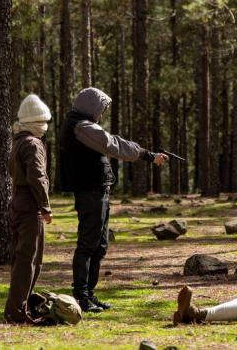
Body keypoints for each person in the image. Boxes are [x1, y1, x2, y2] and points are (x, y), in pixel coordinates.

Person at [58, 87, 168, 313]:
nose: (103, 112)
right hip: (90, 192)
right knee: (88, 244)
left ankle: (89, 293)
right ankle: (81, 296)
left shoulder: (81, 124)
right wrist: (147, 155)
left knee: (99, 245)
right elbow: (113, 144)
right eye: (102, 107)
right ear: (91, 106)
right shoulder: (82, 126)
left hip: (97, 190)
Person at [4, 94, 53, 324]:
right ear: (36, 122)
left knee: (21, 258)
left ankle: (17, 308)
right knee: (30, 260)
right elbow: (38, 177)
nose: (45, 127)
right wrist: (45, 205)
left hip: (17, 202)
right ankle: (18, 312)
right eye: (43, 122)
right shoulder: (33, 144)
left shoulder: (18, 141)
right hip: (30, 204)